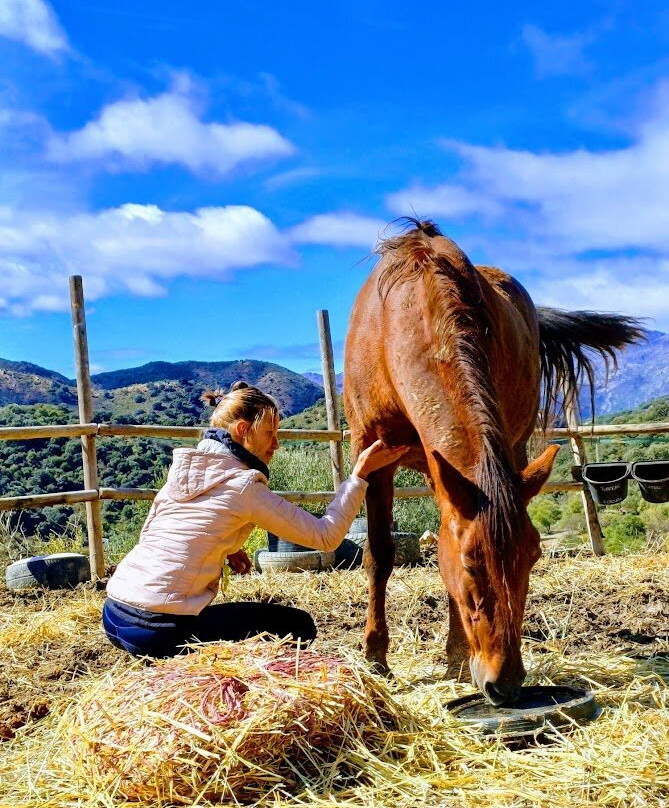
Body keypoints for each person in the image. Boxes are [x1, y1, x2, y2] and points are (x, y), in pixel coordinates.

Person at [103, 381, 407, 657]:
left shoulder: (185, 472)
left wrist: (229, 545)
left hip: (114, 613)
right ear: (242, 431)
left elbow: (159, 532)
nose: (276, 444)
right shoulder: (243, 485)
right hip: (157, 631)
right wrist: (359, 475)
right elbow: (325, 537)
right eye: (270, 434)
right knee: (298, 627)